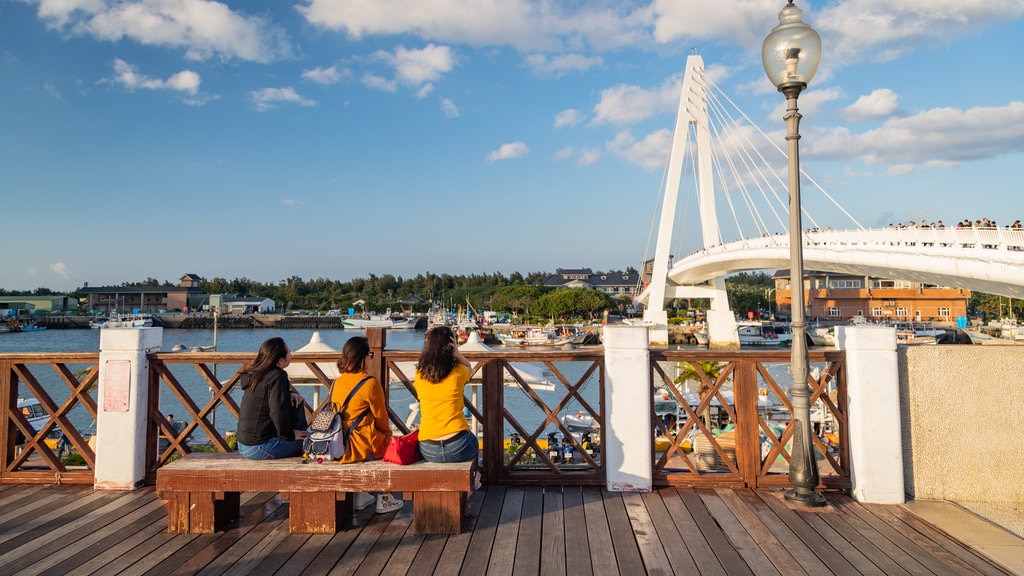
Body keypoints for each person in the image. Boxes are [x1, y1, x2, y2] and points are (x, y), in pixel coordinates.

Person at [331, 336, 403, 514]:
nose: (371, 358)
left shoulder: (337, 382)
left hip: (337, 445)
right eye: (370, 354)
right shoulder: (370, 384)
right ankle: (384, 498)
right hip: (360, 447)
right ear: (362, 359)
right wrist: (388, 436)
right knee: (391, 446)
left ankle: (362, 496)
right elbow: (381, 418)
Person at [235, 337, 308, 460]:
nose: (291, 355)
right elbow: (277, 412)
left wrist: (289, 394)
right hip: (259, 447)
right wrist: (290, 435)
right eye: (289, 353)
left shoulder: (255, 373)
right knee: (310, 442)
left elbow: (264, 396)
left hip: (243, 445)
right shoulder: (278, 376)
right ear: (280, 361)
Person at [414, 327, 478, 464]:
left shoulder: (419, 375)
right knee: (474, 442)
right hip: (458, 445)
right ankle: (476, 478)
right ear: (451, 346)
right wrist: (458, 354)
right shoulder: (458, 373)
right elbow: (469, 367)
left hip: (428, 448)